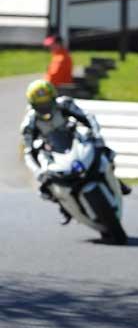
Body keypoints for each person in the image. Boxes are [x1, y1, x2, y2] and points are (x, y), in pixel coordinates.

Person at [21, 79, 131, 225]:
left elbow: (88, 118)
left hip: (73, 141)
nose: (45, 107)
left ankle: (115, 180)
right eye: (41, 105)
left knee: (106, 152)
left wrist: (97, 137)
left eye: (47, 103)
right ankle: (65, 207)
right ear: (33, 104)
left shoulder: (65, 104)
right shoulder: (29, 123)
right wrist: (38, 172)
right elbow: (29, 152)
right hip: (52, 152)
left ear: (54, 98)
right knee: (45, 189)